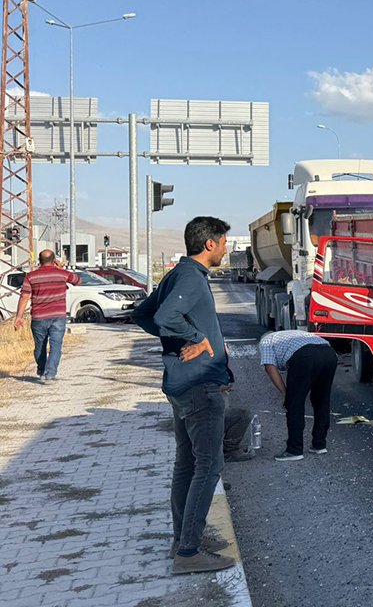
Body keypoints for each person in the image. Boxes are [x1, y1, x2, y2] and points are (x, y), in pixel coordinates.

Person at [132, 216, 236, 575]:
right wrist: (193, 338)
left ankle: (182, 541)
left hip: (184, 383)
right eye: (224, 241)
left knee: (188, 464)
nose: (227, 247)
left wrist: (177, 341)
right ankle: (189, 552)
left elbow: (143, 314)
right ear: (210, 244)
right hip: (197, 386)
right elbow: (163, 317)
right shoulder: (190, 277)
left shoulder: (179, 273)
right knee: (209, 466)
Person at [258, 329, 337, 461]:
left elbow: (270, 368)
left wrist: (286, 394)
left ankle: (294, 450)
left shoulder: (265, 341)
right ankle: (319, 444)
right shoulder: (289, 335)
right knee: (322, 400)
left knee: (295, 404)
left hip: (305, 356)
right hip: (329, 353)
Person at [11, 249, 80, 381]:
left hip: (38, 317)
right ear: (54, 260)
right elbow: (78, 281)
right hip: (58, 316)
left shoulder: (30, 276)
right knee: (56, 346)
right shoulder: (62, 274)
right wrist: (60, 268)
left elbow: (24, 297)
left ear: (39, 260)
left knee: (40, 347)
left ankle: (42, 369)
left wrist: (19, 317)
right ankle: (50, 373)